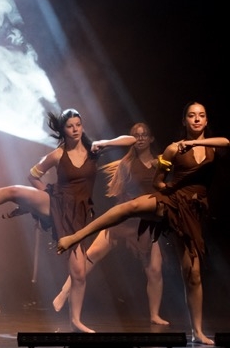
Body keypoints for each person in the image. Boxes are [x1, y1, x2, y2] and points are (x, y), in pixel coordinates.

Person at [0, 109, 134, 333]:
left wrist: (105, 142)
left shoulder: (94, 149)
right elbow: (33, 175)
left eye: (78, 125)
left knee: (79, 273)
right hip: (56, 202)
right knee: (13, 191)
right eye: (70, 126)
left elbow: (130, 140)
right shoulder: (58, 155)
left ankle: (75, 321)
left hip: (78, 214)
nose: (75, 129)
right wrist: (47, 195)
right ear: (63, 130)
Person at [57, 102, 226, 345]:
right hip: (172, 201)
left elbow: (226, 142)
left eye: (201, 115)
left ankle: (197, 332)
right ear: (185, 121)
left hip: (193, 212)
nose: (197, 119)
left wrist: (194, 144)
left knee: (193, 275)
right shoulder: (172, 150)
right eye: (192, 115)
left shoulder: (212, 147)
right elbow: (158, 182)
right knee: (130, 207)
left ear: (207, 120)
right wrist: (164, 185)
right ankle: (75, 237)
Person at [49, 122, 168, 325]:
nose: (139, 138)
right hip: (126, 217)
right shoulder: (126, 164)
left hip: (147, 221)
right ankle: (63, 292)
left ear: (151, 138)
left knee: (155, 269)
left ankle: (154, 314)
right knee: (92, 254)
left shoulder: (160, 163)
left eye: (144, 135)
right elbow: (119, 191)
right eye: (136, 135)